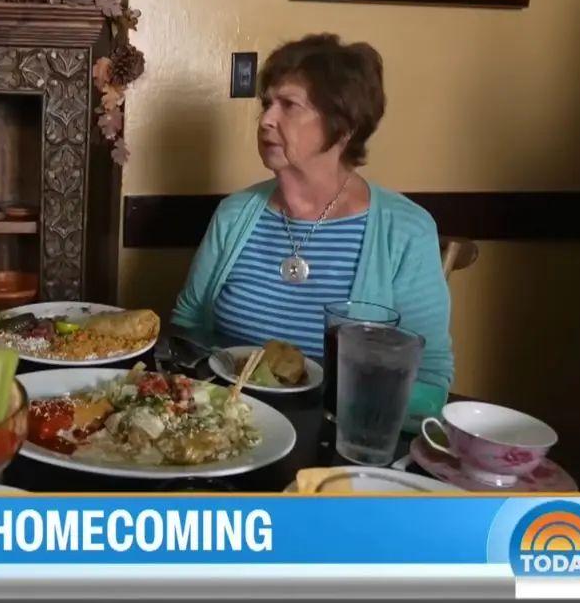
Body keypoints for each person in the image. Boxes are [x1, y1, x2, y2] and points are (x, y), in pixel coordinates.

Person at [171, 33, 453, 389]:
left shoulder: (406, 230)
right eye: (267, 104)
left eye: (289, 105)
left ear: (344, 126)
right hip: (229, 422)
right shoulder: (234, 214)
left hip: (337, 430)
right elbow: (187, 328)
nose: (266, 120)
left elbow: (429, 375)